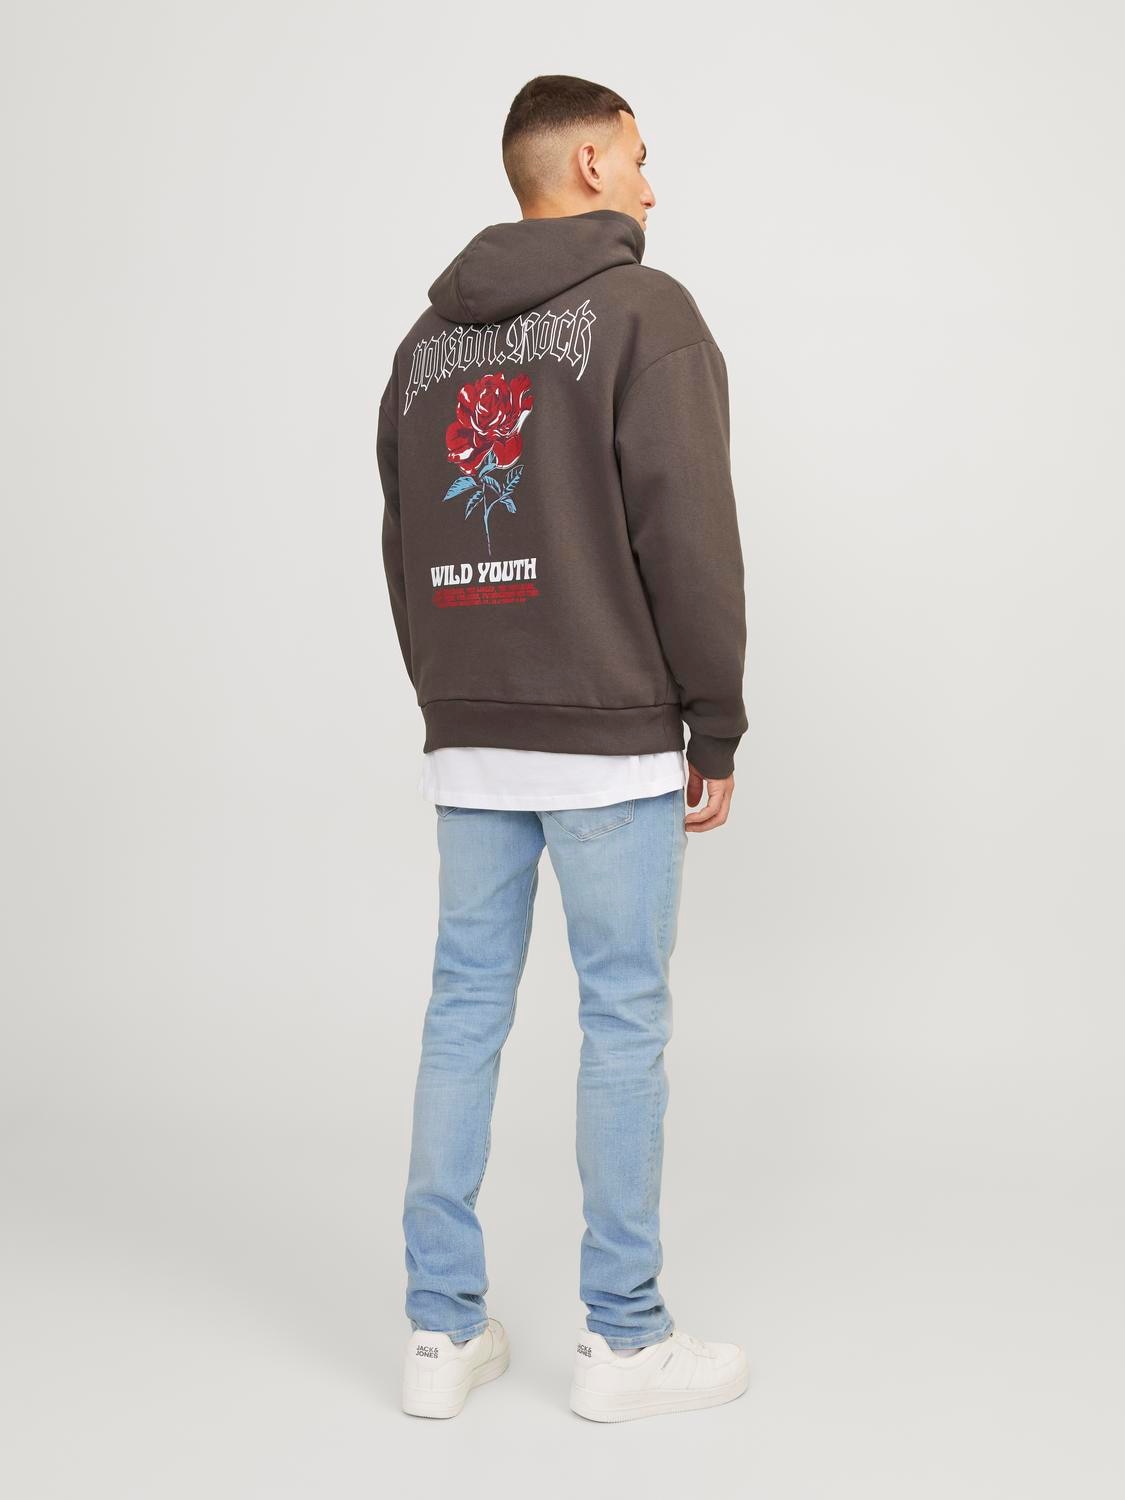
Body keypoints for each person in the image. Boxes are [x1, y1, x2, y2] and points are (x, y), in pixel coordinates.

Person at [378, 74, 750, 1423]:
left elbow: (403, 542)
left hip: (473, 737)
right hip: (605, 738)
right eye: (640, 157)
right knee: (623, 1019)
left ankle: (438, 1337)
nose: (652, 185)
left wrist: (454, 696)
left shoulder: (423, 346)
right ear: (590, 162)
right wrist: (714, 717)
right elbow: (687, 533)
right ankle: (624, 1342)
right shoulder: (647, 314)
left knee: (462, 1010)